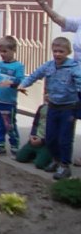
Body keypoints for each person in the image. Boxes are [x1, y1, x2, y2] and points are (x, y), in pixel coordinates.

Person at [18, 37, 81, 179]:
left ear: (68, 52)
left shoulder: (74, 68)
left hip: (68, 108)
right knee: (51, 137)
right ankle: (56, 160)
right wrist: (23, 84)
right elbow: (35, 75)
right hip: (52, 106)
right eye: (55, 51)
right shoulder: (49, 66)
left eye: (61, 51)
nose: (57, 54)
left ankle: (64, 165)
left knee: (64, 138)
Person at [34, 0, 81, 166]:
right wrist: (43, 4)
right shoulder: (79, 23)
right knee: (65, 125)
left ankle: (63, 162)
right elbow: (59, 19)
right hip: (73, 82)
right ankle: (58, 159)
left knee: (66, 125)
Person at [0, 35, 24, 157]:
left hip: (8, 102)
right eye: (0, 51)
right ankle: (0, 145)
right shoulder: (0, 64)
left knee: (10, 125)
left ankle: (15, 146)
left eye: (5, 51)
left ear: (13, 50)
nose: (2, 54)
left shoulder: (18, 66)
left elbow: (20, 80)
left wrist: (12, 83)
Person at [15, 104, 52, 170]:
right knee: (20, 158)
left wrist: (43, 140)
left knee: (40, 164)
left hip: (47, 143)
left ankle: (49, 157)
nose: (47, 97)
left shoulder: (59, 110)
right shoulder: (42, 107)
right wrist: (32, 135)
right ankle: (34, 154)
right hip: (36, 138)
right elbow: (35, 124)